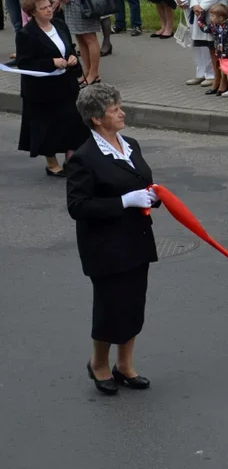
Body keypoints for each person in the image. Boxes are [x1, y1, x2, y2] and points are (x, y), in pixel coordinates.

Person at [67, 83, 159, 395]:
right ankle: (99, 364)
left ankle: (125, 365)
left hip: (136, 239)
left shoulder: (130, 143)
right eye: (114, 109)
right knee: (109, 308)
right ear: (96, 119)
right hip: (105, 246)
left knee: (133, 305)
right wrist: (124, 201)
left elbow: (140, 180)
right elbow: (78, 207)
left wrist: (150, 195)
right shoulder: (84, 158)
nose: (122, 112)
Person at [15, 0, 89, 178]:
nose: (49, 10)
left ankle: (71, 159)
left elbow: (70, 47)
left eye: (49, 6)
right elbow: (24, 62)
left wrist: (72, 58)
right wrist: (51, 62)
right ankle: (52, 164)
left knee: (73, 121)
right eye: (43, 8)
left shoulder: (59, 25)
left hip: (65, 83)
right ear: (32, 12)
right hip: (42, 90)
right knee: (48, 126)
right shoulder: (26, 34)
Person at [195, 4, 228, 97]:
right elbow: (204, 28)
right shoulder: (214, 26)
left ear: (221, 18)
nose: (210, 18)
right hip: (221, 54)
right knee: (227, 72)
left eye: (212, 16)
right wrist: (200, 17)